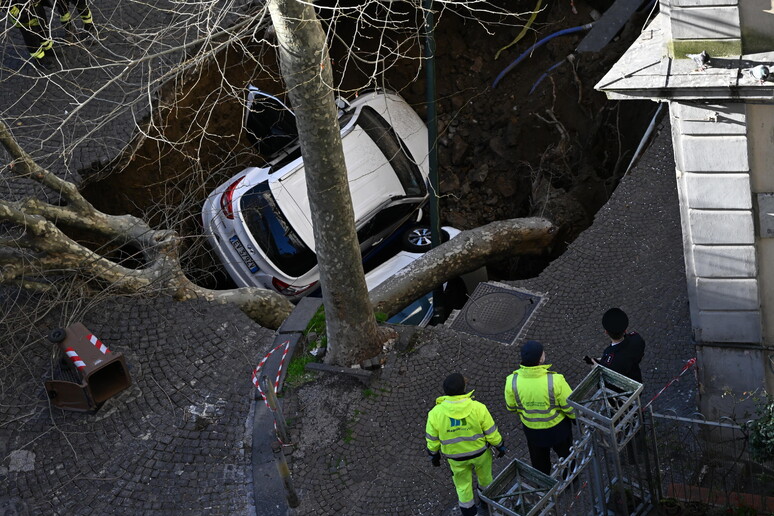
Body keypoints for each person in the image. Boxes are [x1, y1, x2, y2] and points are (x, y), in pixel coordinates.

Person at [426, 373, 507, 516]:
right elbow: (491, 432)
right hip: (480, 454)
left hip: (456, 459)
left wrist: (434, 455)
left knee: (463, 487)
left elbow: (432, 440)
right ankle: (486, 503)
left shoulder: (435, 414)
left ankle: (470, 512)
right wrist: (499, 445)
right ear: (464, 388)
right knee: (486, 479)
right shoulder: (478, 408)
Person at [505, 340, 575, 476]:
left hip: (532, 431)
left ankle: (544, 486)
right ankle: (570, 479)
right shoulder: (555, 380)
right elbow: (570, 406)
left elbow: (511, 407)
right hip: (558, 429)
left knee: (539, 463)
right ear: (541, 358)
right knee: (567, 457)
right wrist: (575, 419)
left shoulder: (511, 381)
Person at [586, 308, 646, 383]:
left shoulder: (609, 359)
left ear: (606, 332)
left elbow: (607, 378)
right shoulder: (636, 338)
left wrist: (596, 367)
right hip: (636, 378)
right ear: (625, 330)